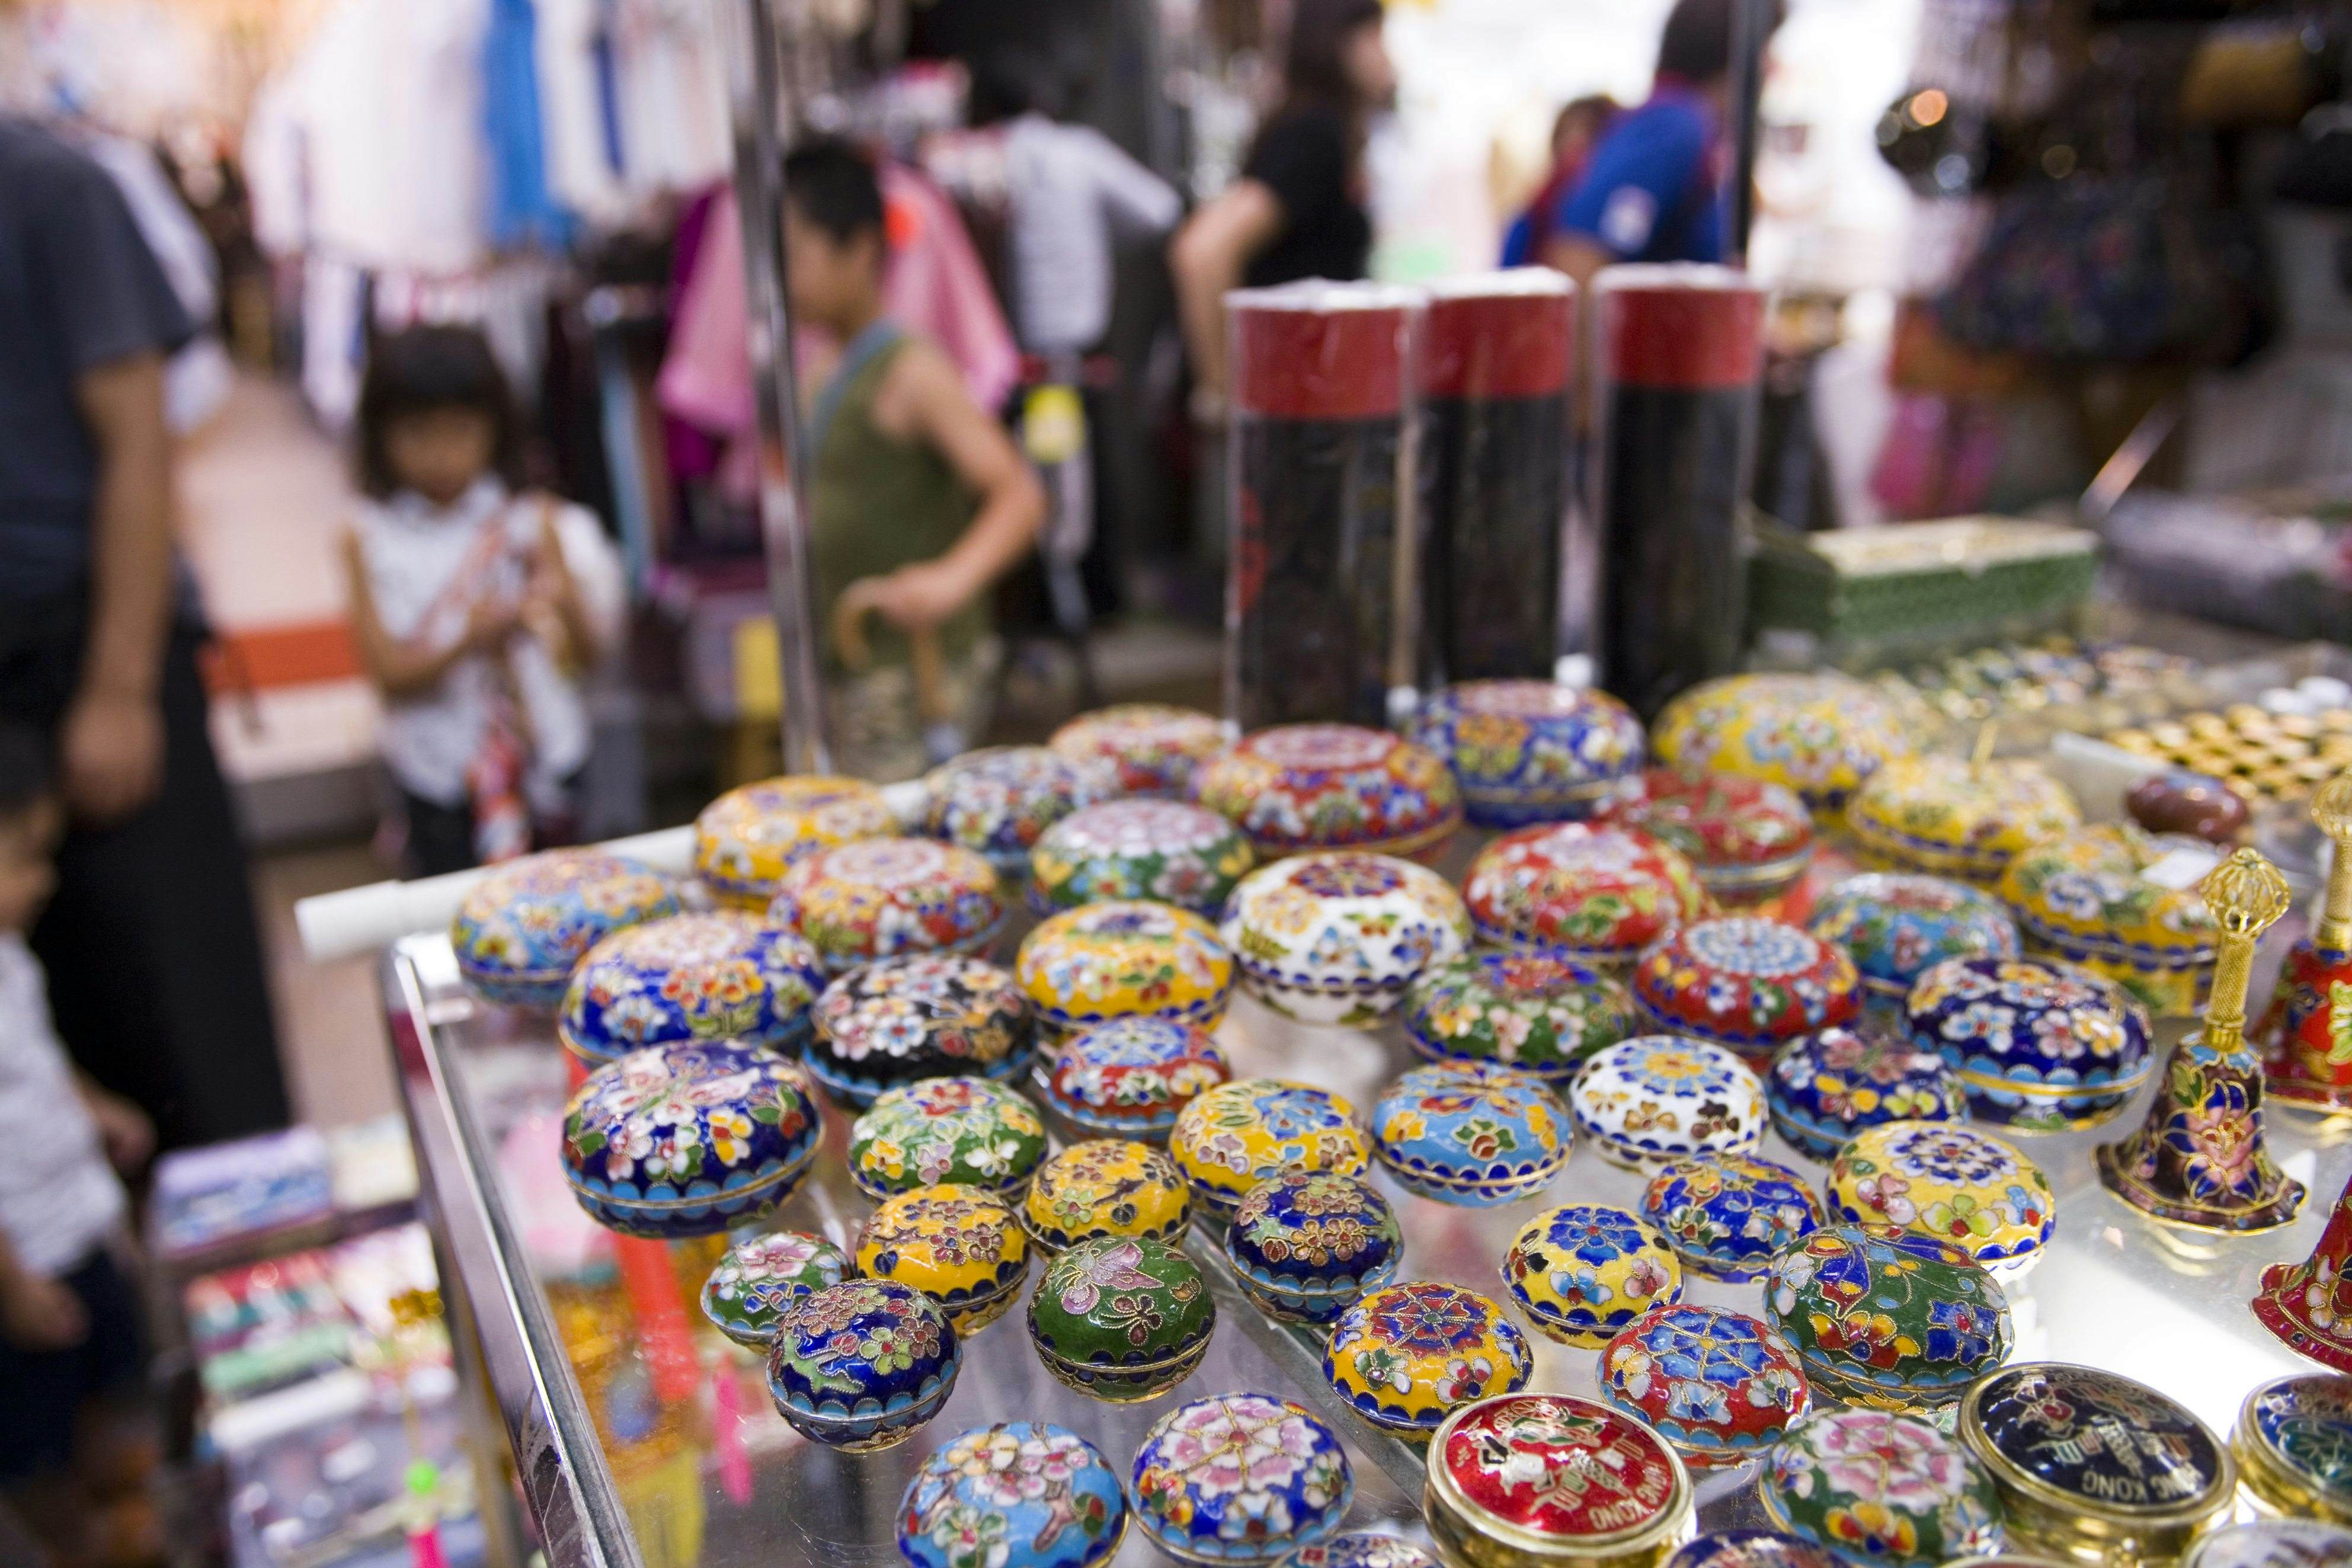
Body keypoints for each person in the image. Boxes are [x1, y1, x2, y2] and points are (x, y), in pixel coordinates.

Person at [0, 116, 288, 1153]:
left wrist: (118, 685)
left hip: (85, 637)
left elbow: (138, 438)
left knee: (181, 1015)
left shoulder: (50, 183)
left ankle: (247, 1276)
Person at [783, 137, 1047, 783]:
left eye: (795, 256)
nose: (783, 278)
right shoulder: (823, 366)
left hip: (911, 672)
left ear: (862, 248)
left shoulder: (911, 372)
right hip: (858, 663)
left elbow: (1020, 495)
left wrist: (950, 581)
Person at [342, 325, 626, 877]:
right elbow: (388, 674)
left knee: (560, 907)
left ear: (496, 429)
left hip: (546, 762)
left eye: (460, 430)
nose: (441, 454)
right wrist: (471, 637)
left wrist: (561, 597)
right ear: (380, 436)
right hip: (440, 775)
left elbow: (590, 656)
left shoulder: (532, 520)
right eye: (418, 433)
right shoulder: (367, 539)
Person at [0, 722, 162, 1568]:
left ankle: (115, 1484)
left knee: (108, 1376)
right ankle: (72, 1537)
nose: (45, 878)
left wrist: (95, 1107)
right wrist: (14, 1284)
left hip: (80, 1222)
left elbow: (36, 1059)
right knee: (35, 1432)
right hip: (26, 1261)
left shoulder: (12, 956)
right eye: (24, 857)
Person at [1169, 0, 1397, 415]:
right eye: (1375, 38)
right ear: (1337, 45)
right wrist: (1226, 398)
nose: (1387, 57)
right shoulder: (1315, 133)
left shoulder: (1318, 129)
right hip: (1292, 410)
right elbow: (1202, 252)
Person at [1539, 0, 1784, 292]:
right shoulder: (1676, 126)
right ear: (1734, 49)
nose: (1773, 66)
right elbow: (1578, 259)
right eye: (1768, 49)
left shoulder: (1697, 129)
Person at [1499, 95, 1621, 268]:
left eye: (1590, 131)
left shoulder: (1618, 205)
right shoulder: (1536, 208)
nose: (1575, 142)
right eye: (1567, 131)